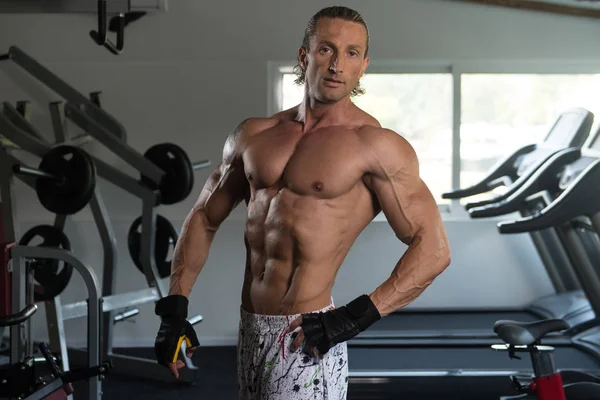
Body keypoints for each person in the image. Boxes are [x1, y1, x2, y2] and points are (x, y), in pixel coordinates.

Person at [153, 5, 451, 400]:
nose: (336, 65)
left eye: (351, 53)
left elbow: (434, 249)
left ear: (363, 66)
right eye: (326, 49)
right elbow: (205, 217)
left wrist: (354, 317)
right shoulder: (254, 134)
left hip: (307, 335)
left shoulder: (376, 146)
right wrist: (175, 304)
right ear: (304, 56)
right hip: (249, 327)